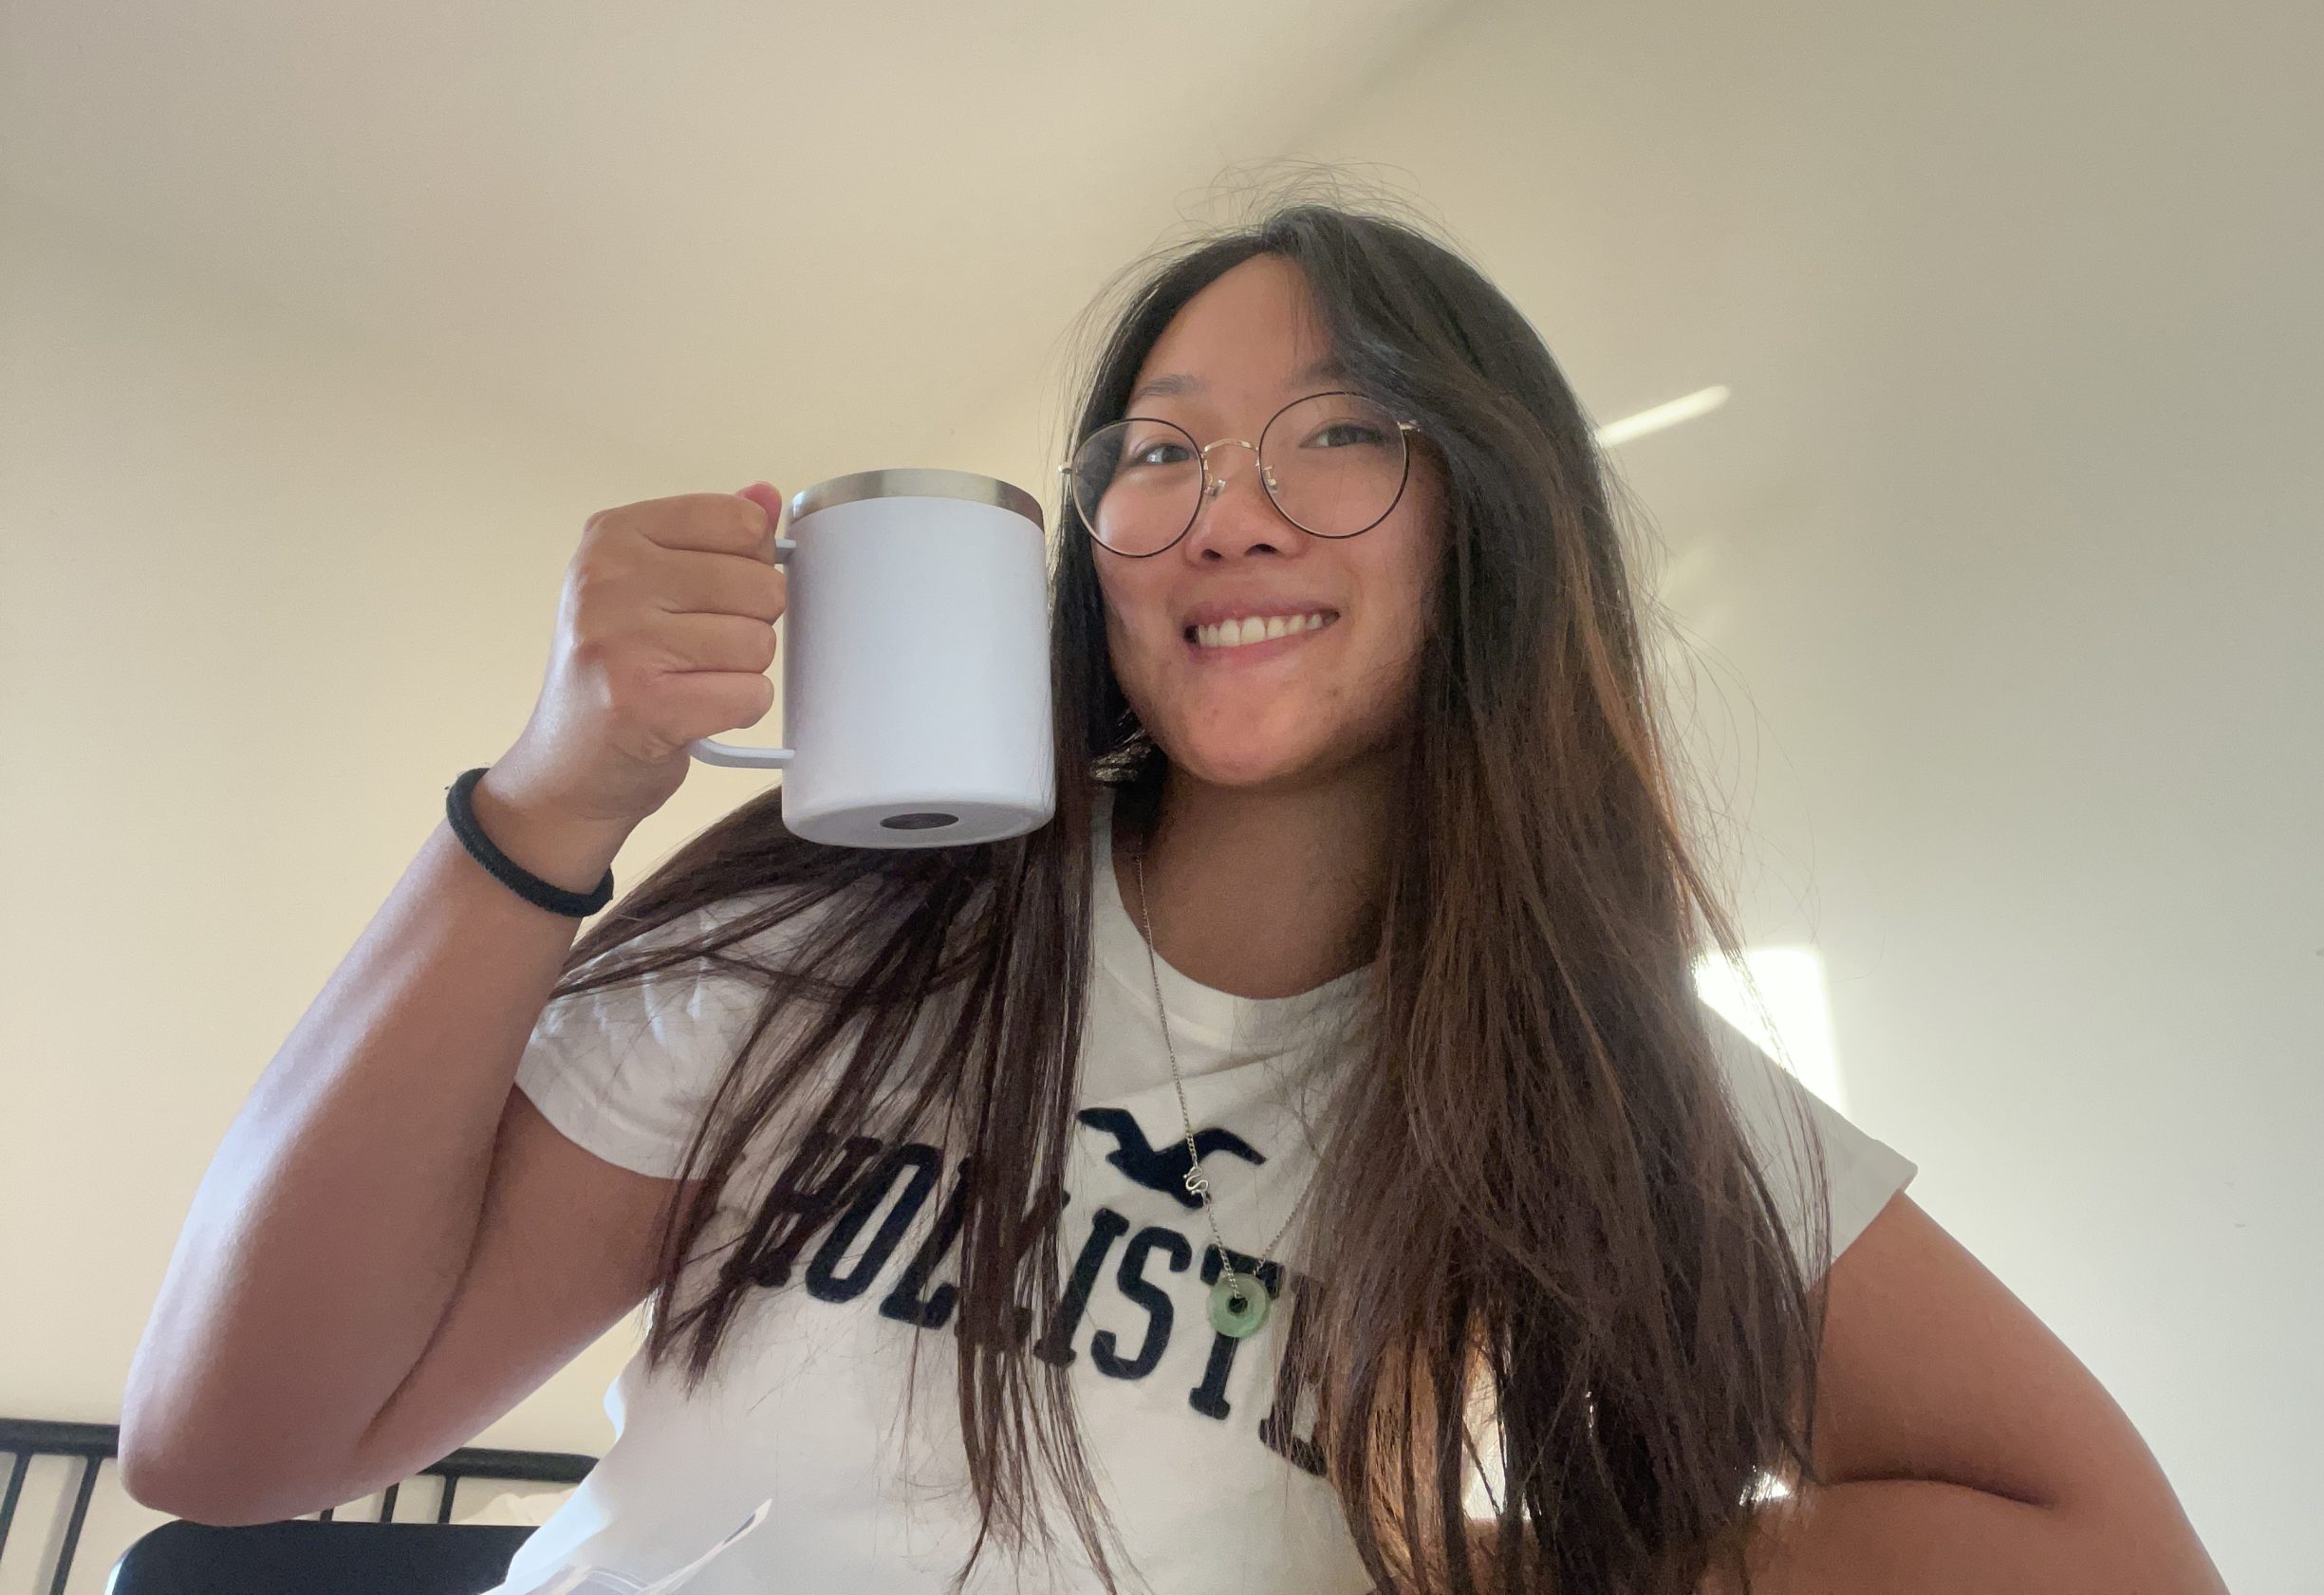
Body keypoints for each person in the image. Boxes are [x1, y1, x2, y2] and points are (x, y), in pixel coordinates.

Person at [121, 201, 1921, 1595]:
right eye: (1157, 449)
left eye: (1344, 429)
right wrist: (552, 794)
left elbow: (2092, 1536)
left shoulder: (1601, 1091)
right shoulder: (839, 940)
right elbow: (232, 1451)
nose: (1225, 513)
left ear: (1494, 516)